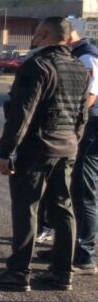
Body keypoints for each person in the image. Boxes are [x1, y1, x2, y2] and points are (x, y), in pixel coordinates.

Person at [0, 17, 90, 291]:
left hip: (37, 147)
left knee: (26, 208)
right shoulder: (79, 66)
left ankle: (19, 273)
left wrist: (6, 151)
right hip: (67, 146)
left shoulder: (37, 65)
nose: (33, 36)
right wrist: (74, 141)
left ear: (43, 34)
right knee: (62, 208)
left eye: (35, 32)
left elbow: (22, 113)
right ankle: (61, 273)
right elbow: (82, 113)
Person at [37, 30, 98, 275]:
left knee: (84, 191)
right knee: (71, 189)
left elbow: (91, 95)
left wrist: (71, 118)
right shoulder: (77, 55)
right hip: (86, 126)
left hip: (92, 127)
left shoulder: (86, 56)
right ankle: (67, 247)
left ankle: (85, 255)